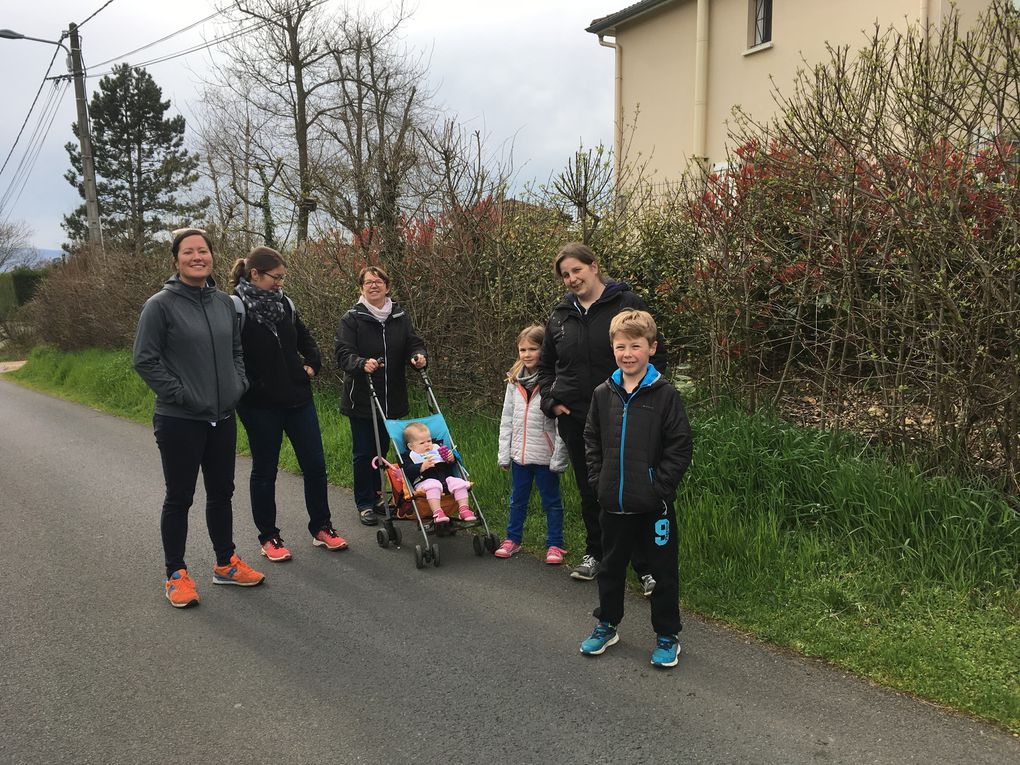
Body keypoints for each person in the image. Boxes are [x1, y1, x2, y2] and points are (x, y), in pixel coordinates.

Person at [133, 228, 265, 609]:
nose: (197, 257)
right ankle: (176, 573)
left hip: (223, 415)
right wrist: (183, 395)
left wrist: (237, 385)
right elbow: (145, 359)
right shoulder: (160, 305)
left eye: (203, 251)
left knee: (222, 492)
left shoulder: (224, 303)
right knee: (180, 496)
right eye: (188, 252)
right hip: (180, 419)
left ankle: (225, 563)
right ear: (176, 260)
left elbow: (236, 350)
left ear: (212, 257)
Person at [536, 242, 667, 586]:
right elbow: (546, 366)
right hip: (577, 418)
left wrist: (648, 402)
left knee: (636, 489)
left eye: (577, 270)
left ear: (594, 266)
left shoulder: (627, 304)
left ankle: (645, 566)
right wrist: (552, 401)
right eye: (565, 275)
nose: (572, 279)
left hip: (626, 416)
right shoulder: (560, 316)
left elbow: (657, 354)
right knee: (591, 489)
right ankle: (597, 553)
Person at [579, 310, 693, 668]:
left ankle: (667, 635)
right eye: (620, 346)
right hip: (612, 503)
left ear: (652, 348)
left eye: (636, 346)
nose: (628, 353)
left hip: (653, 506)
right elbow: (591, 440)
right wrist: (599, 482)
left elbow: (680, 445)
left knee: (661, 572)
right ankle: (607, 624)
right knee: (611, 569)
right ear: (612, 348)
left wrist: (660, 487)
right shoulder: (602, 393)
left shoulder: (665, 395)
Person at [229, 247, 348, 562]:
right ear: (255, 274)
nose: (280, 283)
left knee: (315, 466)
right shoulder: (235, 309)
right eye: (276, 277)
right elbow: (231, 356)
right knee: (265, 472)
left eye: (283, 278)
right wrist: (251, 387)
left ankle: (322, 528)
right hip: (259, 406)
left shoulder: (285, 305)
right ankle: (269, 537)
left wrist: (311, 364)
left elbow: (305, 340)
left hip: (298, 399)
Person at [334, 265, 427, 526]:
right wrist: (360, 362)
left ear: (387, 286)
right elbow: (342, 353)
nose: (373, 285)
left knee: (385, 451)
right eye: (368, 282)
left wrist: (418, 357)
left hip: (392, 397)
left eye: (378, 281)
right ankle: (365, 502)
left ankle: (380, 497)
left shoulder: (399, 316)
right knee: (364, 453)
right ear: (361, 288)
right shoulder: (351, 319)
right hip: (362, 397)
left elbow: (413, 343)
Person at [495, 324, 569, 563]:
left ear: (544, 350)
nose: (527, 354)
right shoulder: (513, 381)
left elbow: (561, 425)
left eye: (533, 349)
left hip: (546, 457)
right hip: (519, 456)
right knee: (517, 500)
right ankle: (513, 539)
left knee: (552, 503)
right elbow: (507, 420)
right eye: (522, 349)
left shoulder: (553, 382)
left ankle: (555, 544)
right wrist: (503, 454)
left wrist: (559, 457)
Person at [400, 421, 477, 523]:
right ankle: (438, 512)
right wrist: (421, 467)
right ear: (411, 446)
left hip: (445, 479)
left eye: (429, 441)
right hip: (424, 482)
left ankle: (464, 509)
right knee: (433, 484)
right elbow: (407, 470)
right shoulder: (408, 456)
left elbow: (450, 465)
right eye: (422, 443)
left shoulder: (437, 449)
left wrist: (451, 459)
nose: (427, 445)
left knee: (459, 482)